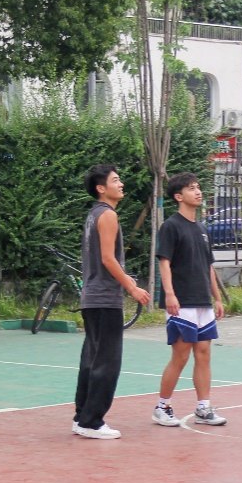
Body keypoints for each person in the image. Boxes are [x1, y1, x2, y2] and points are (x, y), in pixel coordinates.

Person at [74, 164, 152, 440]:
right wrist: (132, 287)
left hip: (92, 298)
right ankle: (92, 421)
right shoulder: (107, 215)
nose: (121, 184)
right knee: (107, 362)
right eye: (115, 180)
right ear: (101, 188)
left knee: (91, 360)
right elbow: (108, 259)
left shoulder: (93, 215)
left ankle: (82, 417)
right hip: (104, 299)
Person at [152, 172, 227, 427]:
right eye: (191, 188)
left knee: (204, 354)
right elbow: (164, 263)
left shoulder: (202, 228)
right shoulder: (171, 226)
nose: (198, 192)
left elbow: (208, 266)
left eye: (198, 187)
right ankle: (162, 407)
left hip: (203, 302)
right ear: (178, 196)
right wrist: (169, 294)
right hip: (181, 302)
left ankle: (203, 408)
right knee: (181, 355)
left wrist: (217, 298)